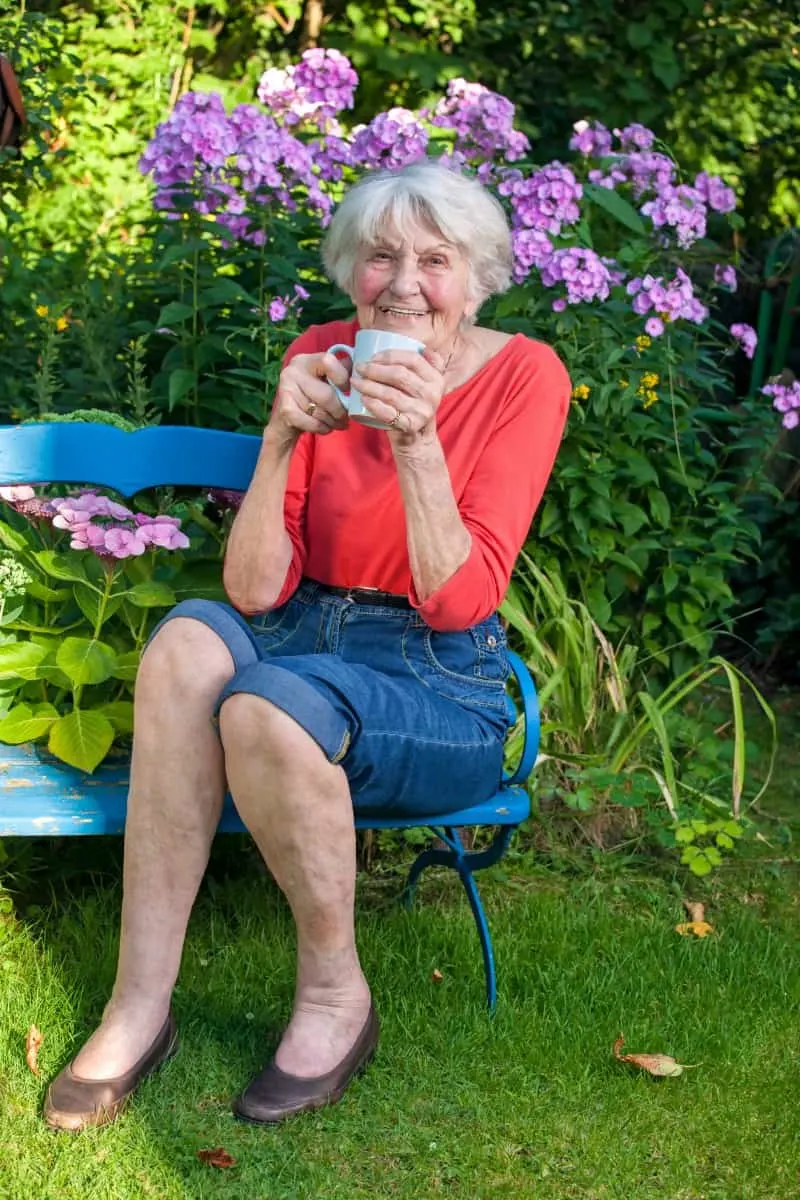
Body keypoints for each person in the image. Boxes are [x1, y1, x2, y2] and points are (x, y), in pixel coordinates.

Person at [43, 160, 570, 1132]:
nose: (402, 282)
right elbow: (251, 591)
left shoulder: (523, 376)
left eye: (433, 259)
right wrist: (282, 437)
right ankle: (136, 1008)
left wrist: (416, 443)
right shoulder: (322, 353)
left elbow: (458, 602)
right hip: (298, 627)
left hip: (432, 672)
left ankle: (335, 998)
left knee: (269, 707)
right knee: (184, 650)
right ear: (347, 270)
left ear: (478, 275)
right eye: (378, 256)